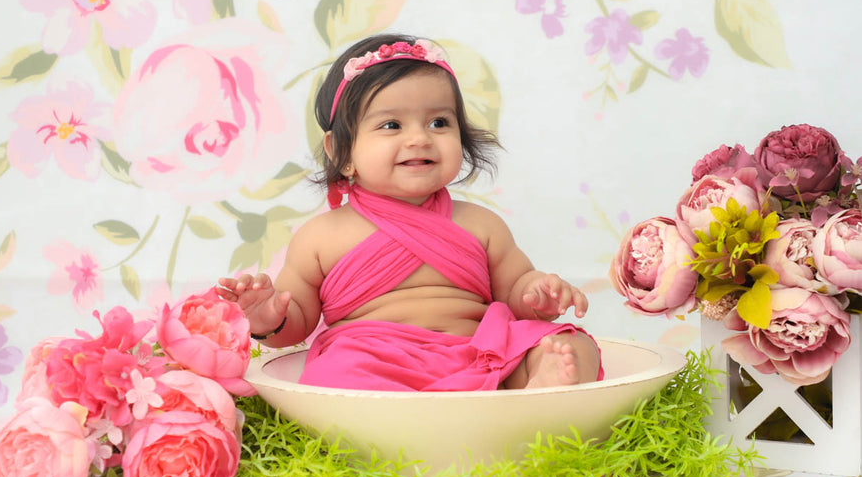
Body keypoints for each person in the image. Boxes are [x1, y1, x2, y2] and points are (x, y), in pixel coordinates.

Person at [216, 34, 601, 391]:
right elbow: (295, 323)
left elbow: (515, 291)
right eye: (391, 124)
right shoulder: (320, 237)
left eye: (439, 122)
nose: (419, 138)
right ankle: (408, 421)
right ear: (341, 152)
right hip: (374, 362)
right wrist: (268, 318)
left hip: (478, 353)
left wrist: (537, 294)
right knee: (336, 371)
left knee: (574, 345)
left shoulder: (482, 224)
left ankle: (538, 389)